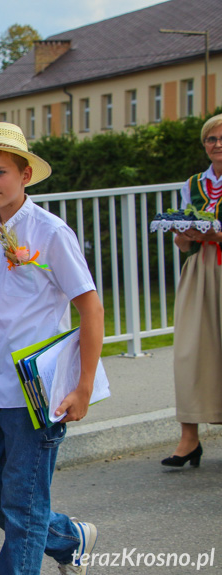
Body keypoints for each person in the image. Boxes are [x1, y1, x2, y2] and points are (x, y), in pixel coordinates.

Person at [0, 122, 105, 575]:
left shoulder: (51, 232)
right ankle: (69, 537)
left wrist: (84, 385)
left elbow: (90, 307)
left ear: (26, 174)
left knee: (22, 502)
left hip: (35, 390)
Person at [164, 112, 222, 468]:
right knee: (190, 351)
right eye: (212, 139)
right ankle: (189, 437)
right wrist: (182, 235)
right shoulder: (194, 184)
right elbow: (183, 245)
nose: (218, 145)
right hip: (202, 269)